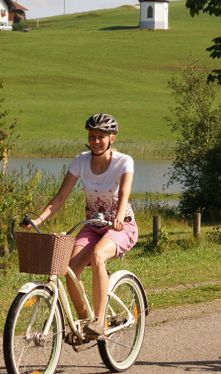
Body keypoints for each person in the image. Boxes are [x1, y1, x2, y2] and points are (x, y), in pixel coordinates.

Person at [24, 113, 138, 339]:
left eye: (101, 137)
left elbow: (124, 193)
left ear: (112, 138)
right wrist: (37, 220)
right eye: (92, 136)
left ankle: (99, 322)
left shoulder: (124, 162)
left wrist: (118, 215)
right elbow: (59, 198)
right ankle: (86, 324)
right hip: (92, 227)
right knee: (69, 271)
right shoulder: (81, 161)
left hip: (120, 227)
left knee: (97, 256)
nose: (96, 141)